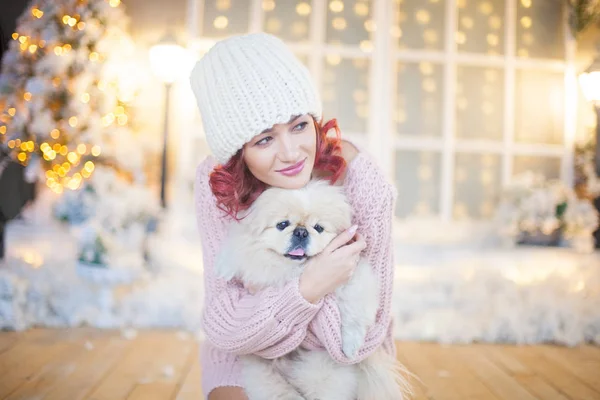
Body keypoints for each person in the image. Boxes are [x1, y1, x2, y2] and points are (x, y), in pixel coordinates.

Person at [190, 32, 399, 400]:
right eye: (264, 139)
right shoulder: (216, 185)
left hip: (343, 364)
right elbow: (225, 328)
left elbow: (355, 342)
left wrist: (266, 300)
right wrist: (309, 287)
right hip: (246, 355)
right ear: (237, 154)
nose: (290, 153)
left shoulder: (362, 182)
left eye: (299, 125)